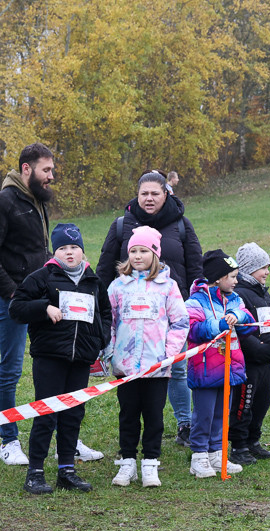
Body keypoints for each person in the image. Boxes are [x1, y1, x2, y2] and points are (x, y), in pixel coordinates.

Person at [0, 144, 102, 465]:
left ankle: (66, 442)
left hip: (48, 301)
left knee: (58, 367)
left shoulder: (37, 202)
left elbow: (40, 253)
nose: (51, 177)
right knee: (11, 371)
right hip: (15, 303)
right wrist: (15, 295)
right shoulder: (1, 204)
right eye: (46, 170)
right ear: (26, 169)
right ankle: (9, 440)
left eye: (52, 170)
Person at [96, 171, 203, 448]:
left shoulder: (181, 225)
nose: (149, 198)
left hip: (170, 310)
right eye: (144, 193)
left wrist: (192, 300)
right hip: (131, 315)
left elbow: (195, 266)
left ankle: (184, 425)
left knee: (176, 369)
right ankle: (131, 440)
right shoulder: (122, 225)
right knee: (131, 374)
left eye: (155, 193)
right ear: (137, 195)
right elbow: (106, 266)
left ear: (166, 194)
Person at [9, 224, 110, 495]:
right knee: (46, 412)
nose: (69, 252)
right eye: (63, 248)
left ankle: (67, 469)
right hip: (50, 357)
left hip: (81, 359)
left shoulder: (93, 280)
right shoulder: (41, 277)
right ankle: (36, 472)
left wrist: (100, 340)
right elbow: (16, 308)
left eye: (74, 247)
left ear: (82, 250)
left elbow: (105, 312)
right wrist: (44, 307)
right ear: (55, 251)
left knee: (73, 413)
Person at [105, 226, 189, 487]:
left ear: (155, 254)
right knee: (128, 414)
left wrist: (168, 354)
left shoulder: (168, 286)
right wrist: (110, 352)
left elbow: (180, 322)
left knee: (154, 415)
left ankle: (151, 462)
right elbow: (109, 321)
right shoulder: (118, 286)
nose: (138, 256)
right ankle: (127, 462)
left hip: (157, 367)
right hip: (126, 367)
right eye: (133, 251)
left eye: (143, 250)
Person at [186, 250, 255, 477]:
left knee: (222, 414)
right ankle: (199, 456)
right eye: (233, 276)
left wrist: (239, 316)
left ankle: (217, 453)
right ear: (218, 277)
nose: (237, 281)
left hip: (230, 368)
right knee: (204, 414)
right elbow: (192, 329)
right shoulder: (196, 301)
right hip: (205, 370)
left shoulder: (235, 300)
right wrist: (218, 325)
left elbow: (251, 323)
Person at [229, 243, 270, 465]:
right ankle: (239, 445)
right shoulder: (240, 294)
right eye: (263, 267)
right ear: (249, 268)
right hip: (248, 363)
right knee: (244, 404)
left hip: (265, 362)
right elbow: (242, 332)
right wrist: (261, 350)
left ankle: (254, 441)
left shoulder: (261, 293)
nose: (267, 271)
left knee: (262, 402)